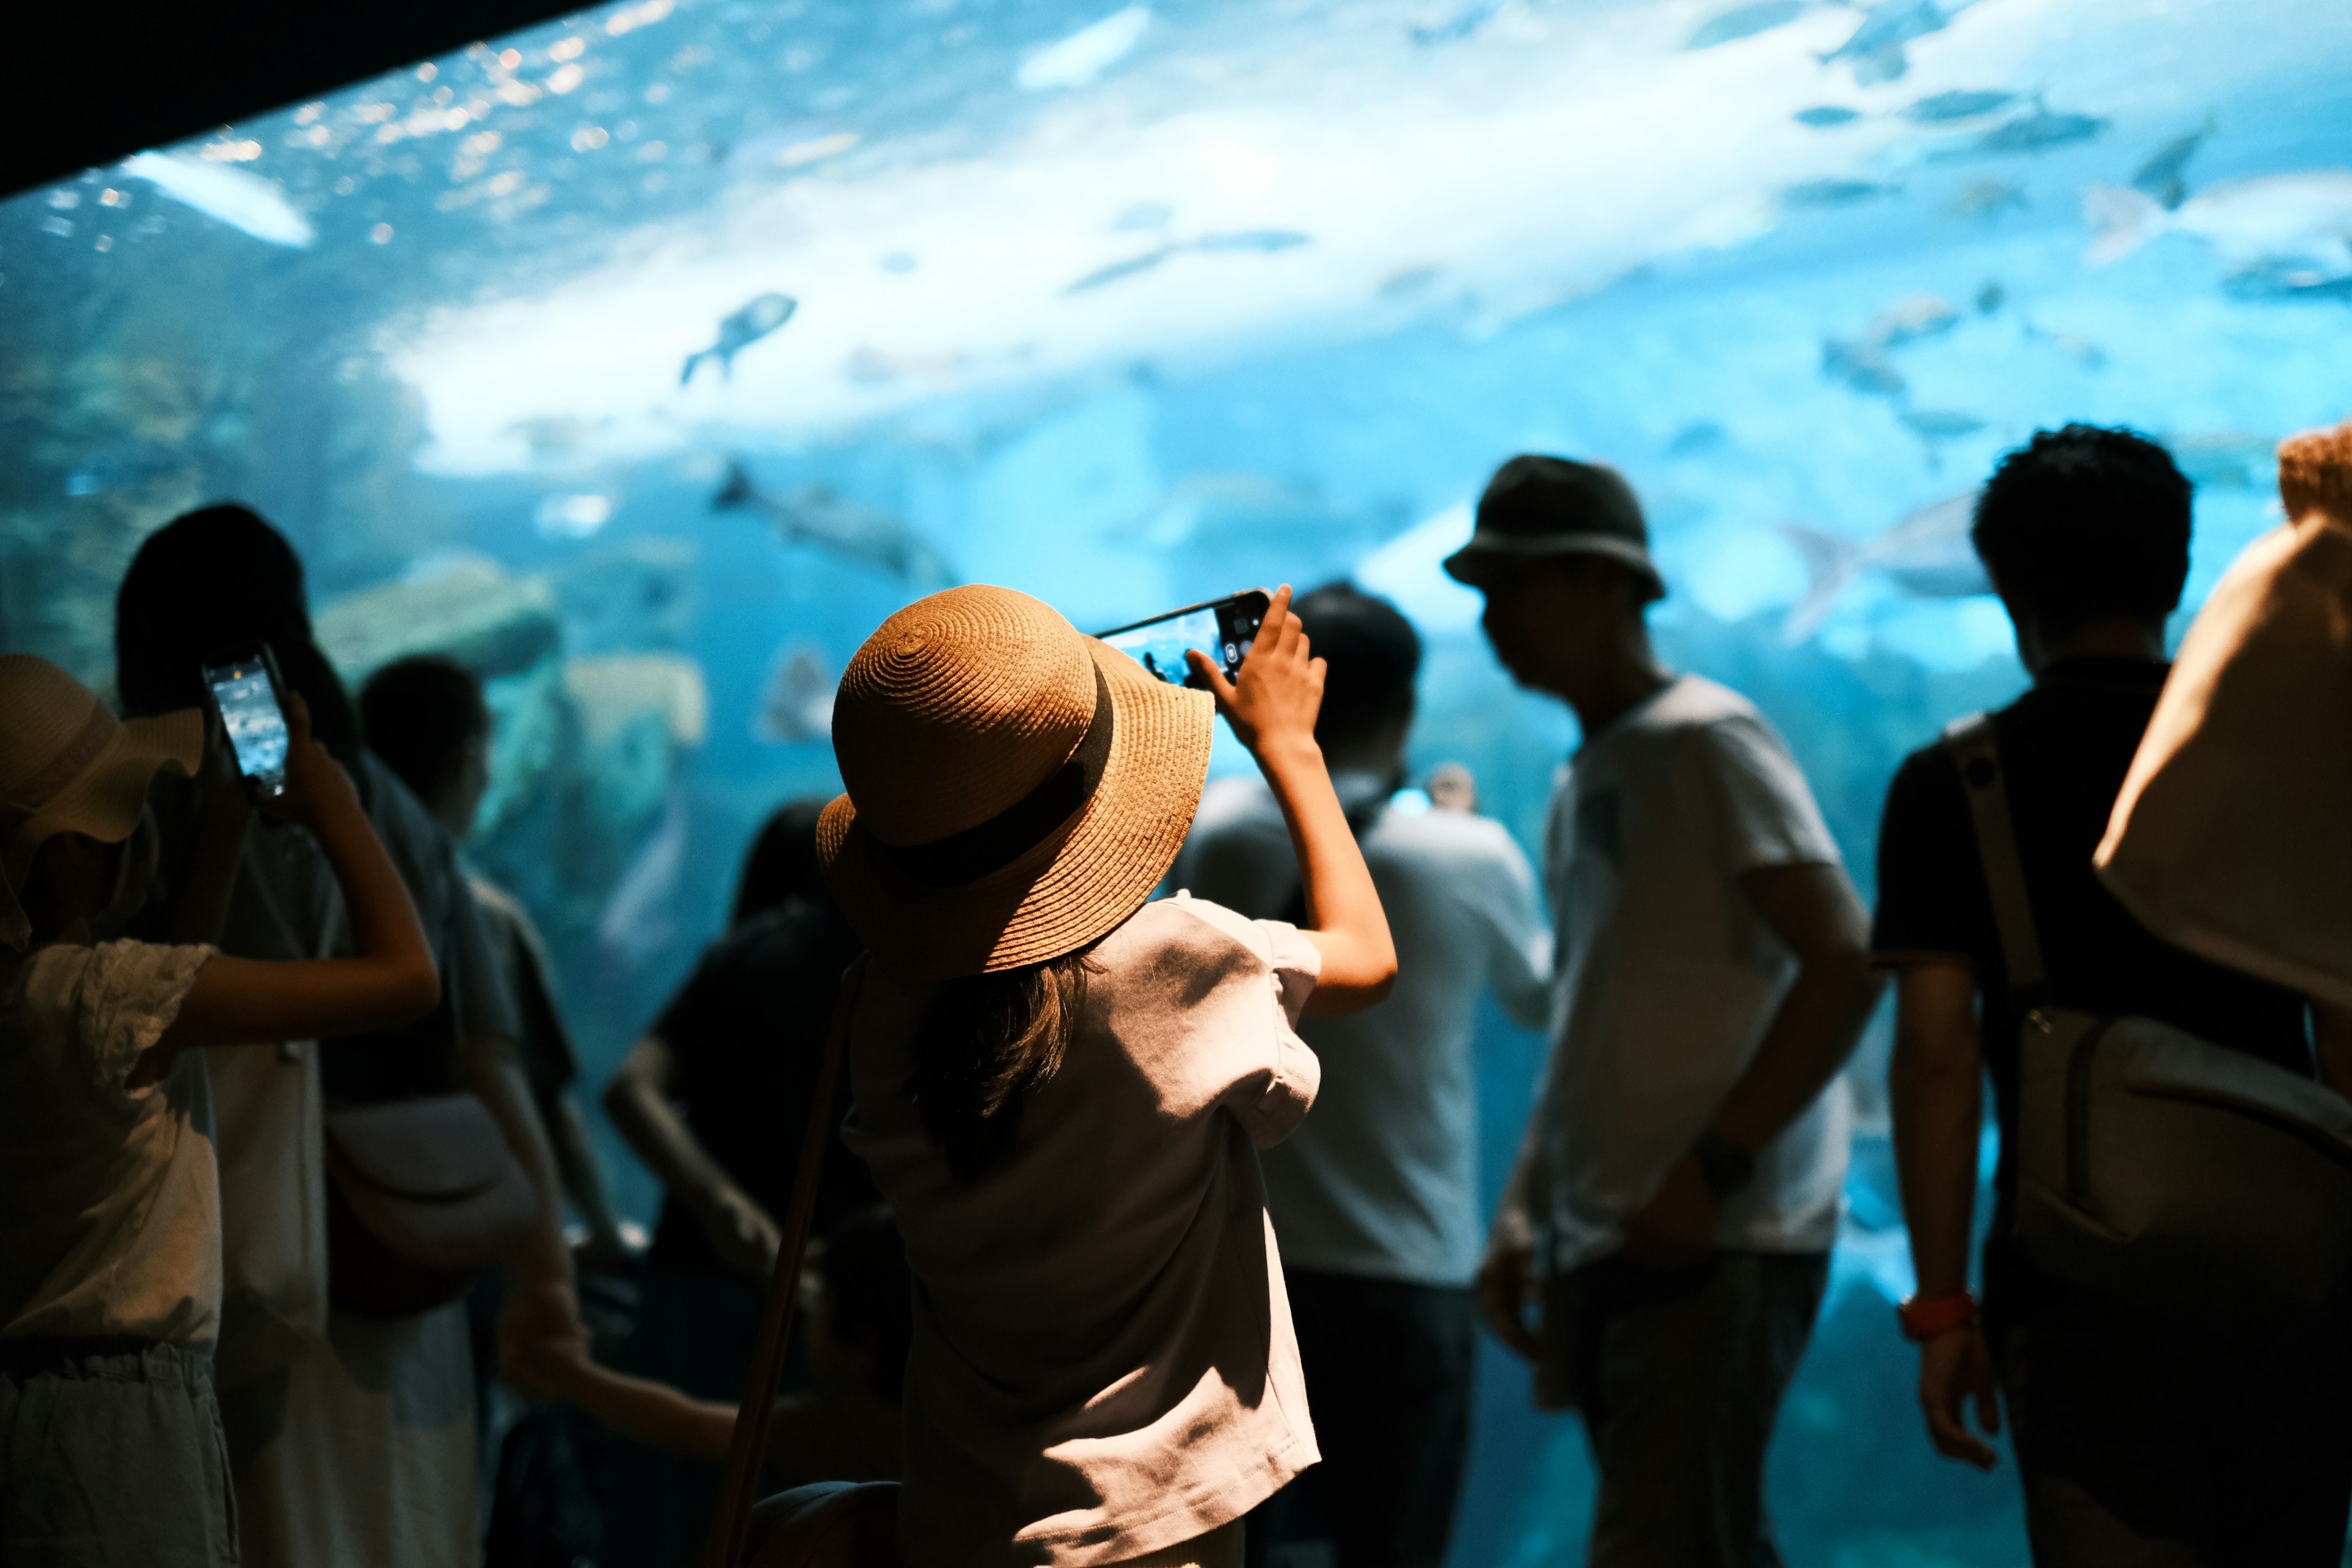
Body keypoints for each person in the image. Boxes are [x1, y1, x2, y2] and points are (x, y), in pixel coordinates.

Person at [822, 582, 1395, 1567]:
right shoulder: (1176, 963)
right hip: (1155, 1522)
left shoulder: (875, 1006)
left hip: (961, 1518)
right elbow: (1364, 957)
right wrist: (1292, 747)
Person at [1872, 424, 2352, 1565]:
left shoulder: (1955, 782)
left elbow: (1935, 1056)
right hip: (2290, 1263)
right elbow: (2344, 1030)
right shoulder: (2280, 749)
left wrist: (1941, 1310)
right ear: (2180, 573)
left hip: (2076, 1282)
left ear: (2004, 588)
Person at [113, 504, 579, 1568]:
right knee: (407, 1524)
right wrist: (543, 1263)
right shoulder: (383, 807)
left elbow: (139, 1004)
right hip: (407, 1249)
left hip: (247, 1259)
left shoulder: (143, 796)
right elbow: (485, 1051)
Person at [1456, 456, 1880, 1568]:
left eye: (1515, 583)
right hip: (1615, 1229)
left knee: (1662, 1543)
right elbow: (1588, 1015)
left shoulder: (1706, 738)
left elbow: (1844, 960)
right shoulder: (1582, 774)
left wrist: (1714, 1165)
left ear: (1608, 581)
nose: (1491, 616)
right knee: (1706, 1539)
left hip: (1718, 1232)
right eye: (1483, 589)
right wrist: (1522, 1210)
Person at [1, 655, 439, 1568]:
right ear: (77, 846)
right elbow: (408, 976)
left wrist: (226, 824)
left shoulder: (44, 999)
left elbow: (172, 974)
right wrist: (327, 800)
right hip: (118, 1424)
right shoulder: (112, 998)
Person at [1173, 582, 1549, 1568]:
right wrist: (1457, 824)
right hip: (1407, 1272)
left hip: (1247, 1274)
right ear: (1408, 708)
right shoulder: (1472, 854)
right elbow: (1544, 999)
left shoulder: (1215, 833)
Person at [597, 797, 876, 1567]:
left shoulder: (749, 955)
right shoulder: (896, 966)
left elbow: (631, 1088)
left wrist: (720, 1205)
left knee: (671, 1514)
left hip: (704, 1280)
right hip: (843, 1310)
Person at [357, 654, 628, 1259]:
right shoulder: (485, 917)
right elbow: (544, 1105)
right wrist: (602, 1236)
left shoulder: (323, 891)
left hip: (336, 1217)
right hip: (462, 1224)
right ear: (467, 761)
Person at [514, 1204, 910, 1490]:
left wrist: (572, 1373)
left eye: (823, 1299)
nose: (806, 1308)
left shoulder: (828, 1427)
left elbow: (686, 1426)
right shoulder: (931, 1426)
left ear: (862, 1345)